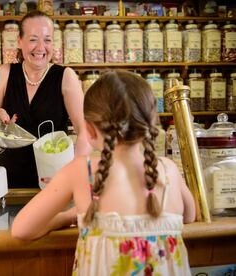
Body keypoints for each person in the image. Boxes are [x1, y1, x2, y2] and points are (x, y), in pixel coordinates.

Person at [11, 70, 196, 275]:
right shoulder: (168, 169)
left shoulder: (83, 171)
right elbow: (189, 216)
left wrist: (68, 217)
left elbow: (21, 230)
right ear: (150, 122)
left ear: (89, 130)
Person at [0, 10, 91, 189]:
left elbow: (85, 133)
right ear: (20, 41)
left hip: (54, 185)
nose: (41, 47)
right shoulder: (5, 73)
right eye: (33, 39)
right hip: (7, 185)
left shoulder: (65, 76)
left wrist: (72, 175)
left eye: (47, 39)